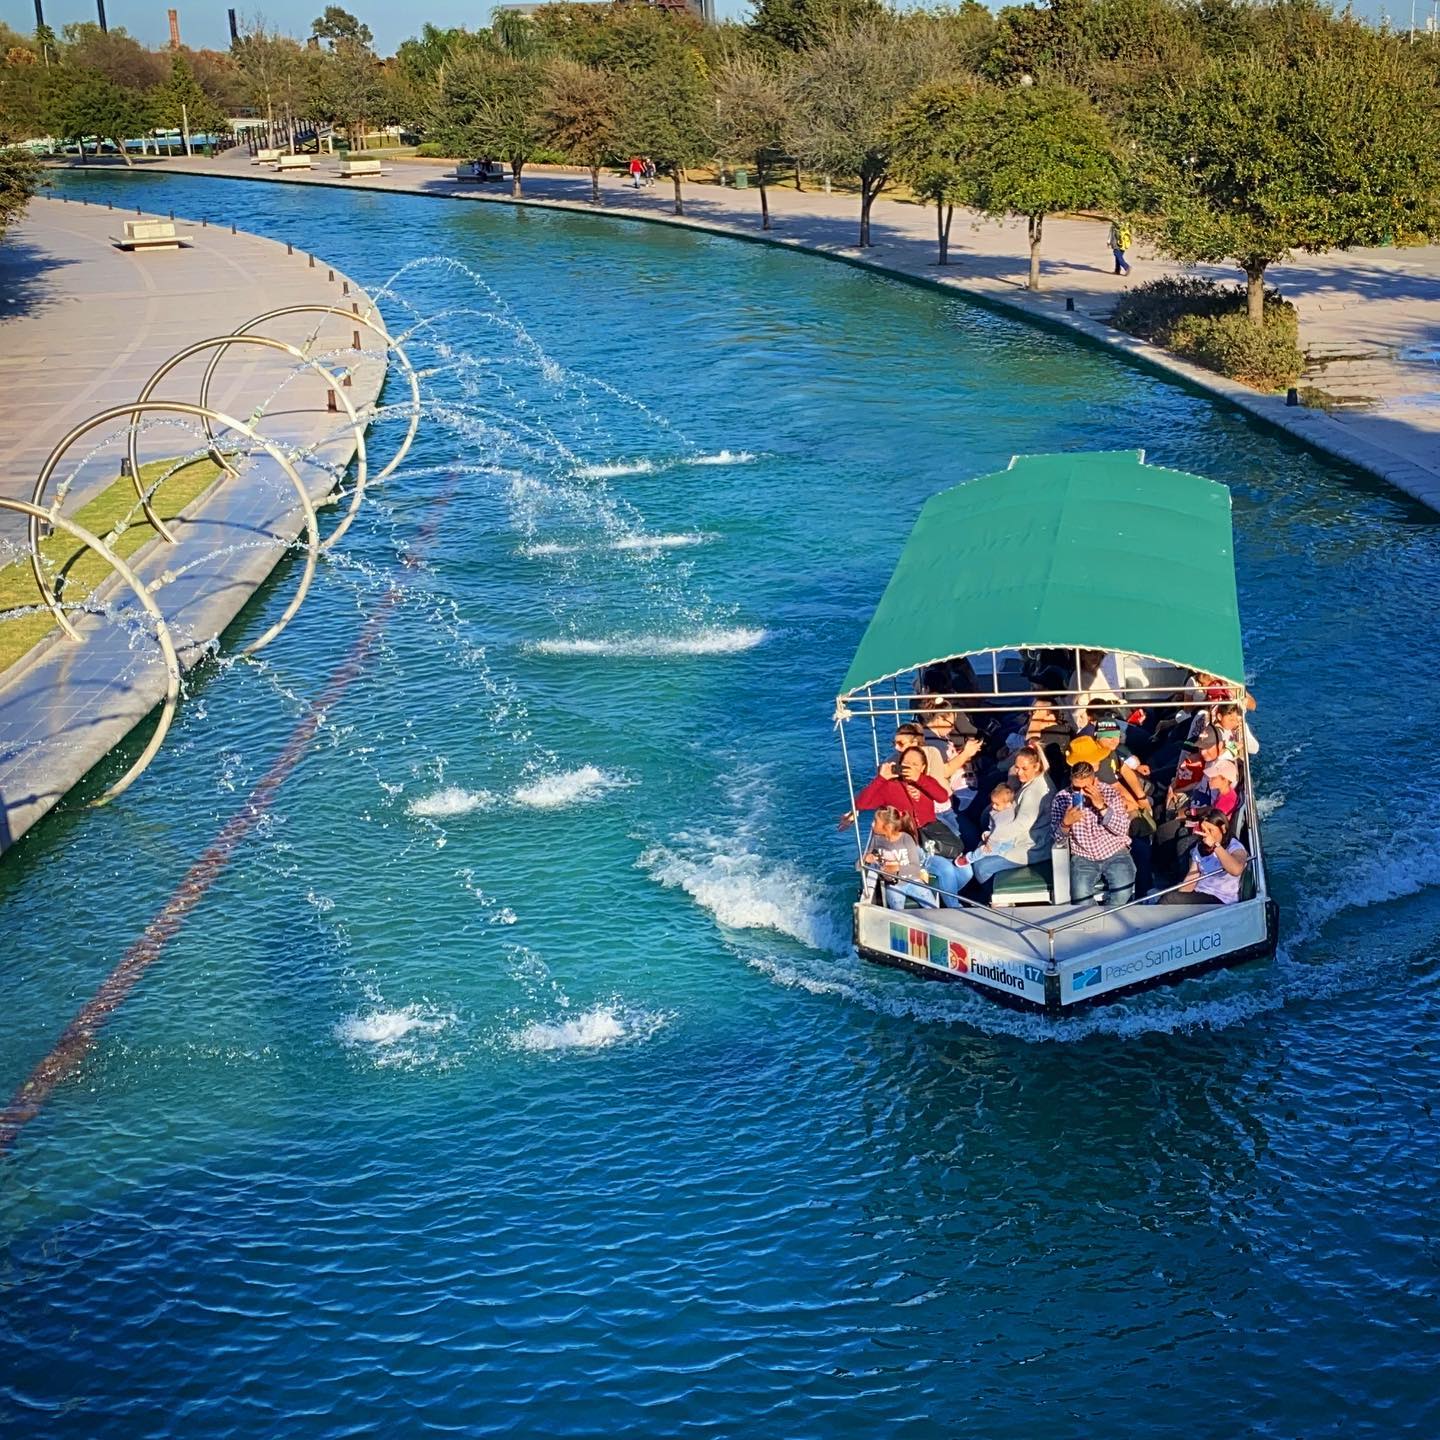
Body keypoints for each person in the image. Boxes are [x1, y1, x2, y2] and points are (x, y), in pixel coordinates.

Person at [1051, 759, 1135, 907]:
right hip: (1083, 856)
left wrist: (1102, 807)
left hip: (1114, 851)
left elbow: (1122, 829)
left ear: (1095, 781)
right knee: (1081, 900)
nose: (1082, 793)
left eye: (1087, 788)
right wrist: (1066, 824)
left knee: (1123, 894)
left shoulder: (1109, 793)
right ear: (1071, 782)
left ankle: (1110, 922)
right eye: (1077, 789)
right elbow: (1057, 839)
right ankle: (1096, 921)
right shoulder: (1061, 798)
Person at [1158, 808, 1248, 905]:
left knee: (1170, 899)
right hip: (1200, 893)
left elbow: (1236, 870)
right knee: (1168, 898)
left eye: (1210, 830)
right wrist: (1180, 897)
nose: (1206, 834)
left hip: (1221, 898)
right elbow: (1192, 876)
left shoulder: (1235, 847)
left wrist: (1215, 846)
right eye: (1203, 830)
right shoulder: (1201, 846)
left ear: (1223, 828)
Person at [862, 806, 940, 911]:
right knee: (898, 914)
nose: (872, 824)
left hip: (912, 880)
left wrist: (897, 868)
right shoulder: (876, 840)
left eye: (875, 822)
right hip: (894, 885)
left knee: (933, 909)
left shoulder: (906, 838)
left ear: (887, 827)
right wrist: (865, 859)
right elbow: (858, 865)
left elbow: (915, 868)